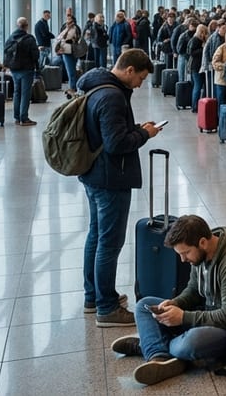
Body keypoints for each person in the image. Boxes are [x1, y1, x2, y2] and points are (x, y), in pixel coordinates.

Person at [112, 215, 226, 386]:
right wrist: (176, 303)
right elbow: (193, 291)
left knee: (190, 343)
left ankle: (149, 345)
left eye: (186, 253)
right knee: (144, 305)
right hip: (210, 315)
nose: (183, 259)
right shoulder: (201, 256)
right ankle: (158, 355)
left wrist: (183, 317)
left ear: (202, 242)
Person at [76, 49, 161, 326]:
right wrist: (144, 134)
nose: (141, 84)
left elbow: (107, 132)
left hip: (94, 173)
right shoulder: (112, 96)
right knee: (109, 244)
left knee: (96, 236)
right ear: (129, 70)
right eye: (141, 77)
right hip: (110, 178)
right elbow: (116, 144)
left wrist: (134, 127)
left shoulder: (97, 86)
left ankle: (94, 296)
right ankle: (107, 308)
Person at [4, 17, 40, 126]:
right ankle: (24, 118)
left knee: (17, 92)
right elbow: (35, 55)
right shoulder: (29, 38)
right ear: (27, 26)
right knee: (25, 93)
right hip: (27, 69)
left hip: (14, 69)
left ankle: (16, 117)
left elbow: (6, 52)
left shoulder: (11, 38)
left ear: (17, 25)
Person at [56, 15, 83, 96]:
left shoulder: (73, 29)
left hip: (69, 51)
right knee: (70, 70)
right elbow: (59, 37)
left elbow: (64, 37)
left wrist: (67, 29)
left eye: (69, 20)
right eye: (67, 20)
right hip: (67, 51)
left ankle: (72, 87)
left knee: (70, 70)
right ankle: (72, 86)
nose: (67, 22)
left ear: (72, 21)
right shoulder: (68, 28)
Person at [186, 24, 208, 107]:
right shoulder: (195, 40)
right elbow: (191, 52)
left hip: (199, 66)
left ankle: (198, 105)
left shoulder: (201, 40)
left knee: (198, 86)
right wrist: (202, 49)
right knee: (198, 86)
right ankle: (195, 105)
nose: (203, 34)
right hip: (196, 66)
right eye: (202, 32)